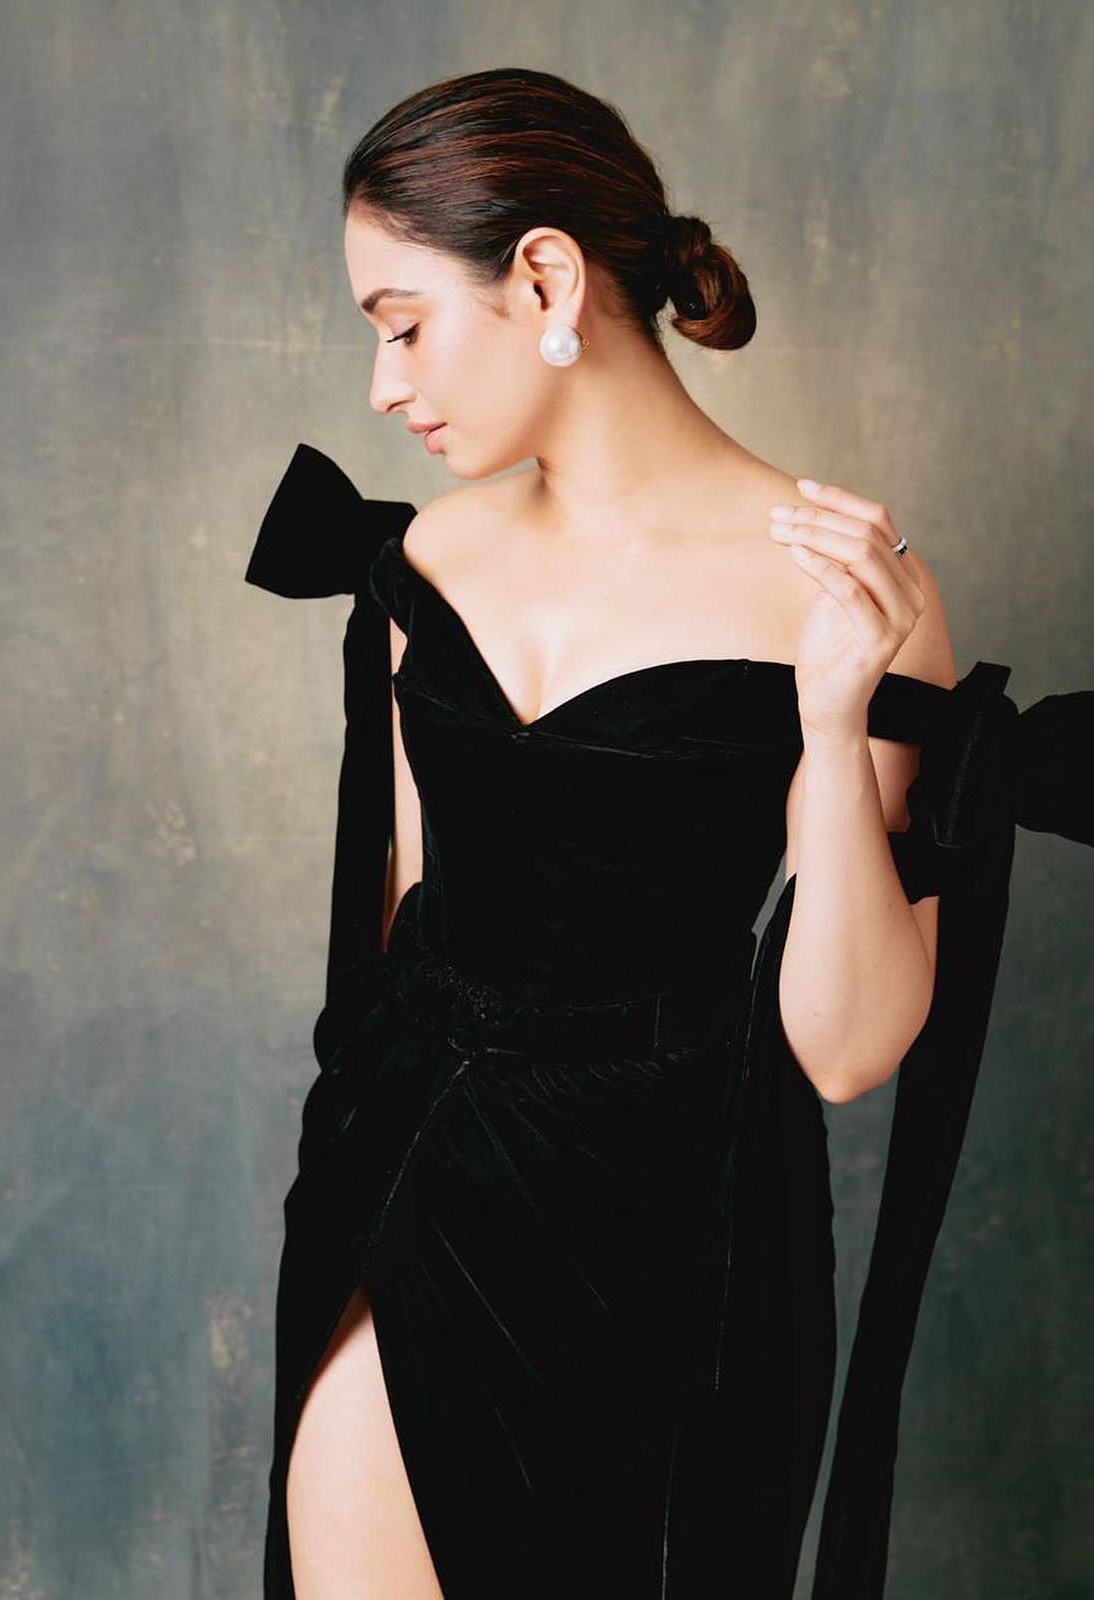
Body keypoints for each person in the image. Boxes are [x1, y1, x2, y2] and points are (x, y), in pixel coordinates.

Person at [244, 66, 1093, 1599]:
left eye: (403, 325)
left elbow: (848, 1051)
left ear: (545, 278)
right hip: (405, 1182)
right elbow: (401, 939)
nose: (381, 386)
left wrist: (831, 728)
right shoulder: (427, 557)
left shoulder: (833, 585)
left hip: (674, 1245)